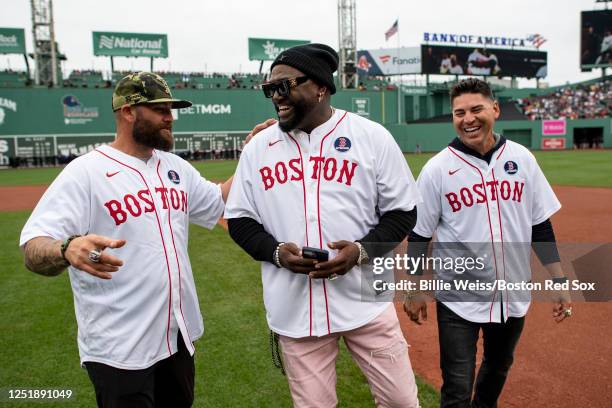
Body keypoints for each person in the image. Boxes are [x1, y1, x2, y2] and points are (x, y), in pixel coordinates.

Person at [19, 72, 271, 408]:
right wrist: (66, 249)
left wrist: (251, 156)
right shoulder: (86, 172)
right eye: (160, 109)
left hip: (175, 339)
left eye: (171, 109)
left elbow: (219, 199)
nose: (171, 117)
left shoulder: (174, 167)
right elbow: (33, 247)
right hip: (119, 349)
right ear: (128, 112)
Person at [224, 44, 422, 407]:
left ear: (320, 87)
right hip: (295, 307)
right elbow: (239, 219)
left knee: (401, 402)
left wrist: (362, 251)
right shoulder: (258, 148)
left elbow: (403, 212)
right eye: (270, 89)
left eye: (284, 86)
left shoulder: (371, 136)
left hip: (368, 300)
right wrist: (276, 253)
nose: (276, 97)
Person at [404, 78, 572, 408]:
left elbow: (540, 225)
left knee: (497, 370)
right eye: (459, 112)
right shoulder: (437, 169)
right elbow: (419, 235)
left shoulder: (522, 159)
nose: (468, 118)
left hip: (512, 292)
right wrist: (413, 288)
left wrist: (560, 280)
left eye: (476, 109)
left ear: (495, 109)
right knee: (456, 386)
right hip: (457, 298)